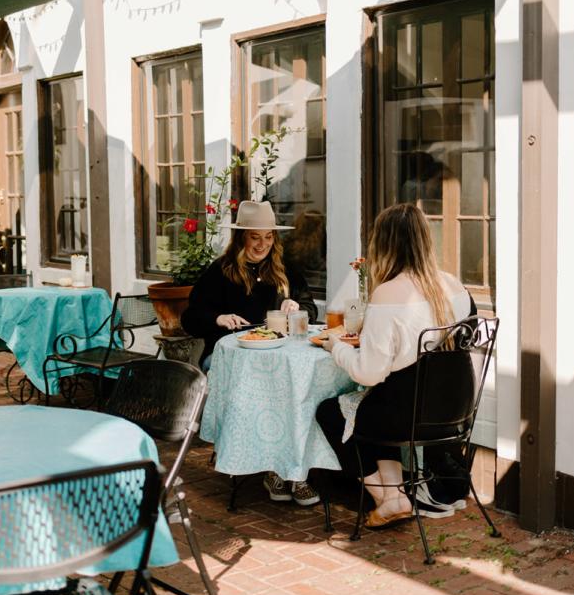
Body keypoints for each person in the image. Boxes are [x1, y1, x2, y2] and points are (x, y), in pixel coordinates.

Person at [315, 203, 475, 529]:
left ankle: (384, 497)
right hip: (456, 412)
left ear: (383, 244)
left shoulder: (388, 294)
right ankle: (396, 497)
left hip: (406, 418)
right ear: (426, 240)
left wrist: (337, 348)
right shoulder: (455, 286)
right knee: (372, 401)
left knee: (333, 411)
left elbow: (368, 373)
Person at [181, 199, 319, 506]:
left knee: (294, 388)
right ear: (241, 238)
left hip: (280, 355)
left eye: (268, 237)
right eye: (255, 237)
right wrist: (217, 319)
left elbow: (310, 307)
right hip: (229, 355)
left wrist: (298, 307)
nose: (262, 244)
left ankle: (291, 469)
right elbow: (190, 317)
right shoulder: (221, 272)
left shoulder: (285, 269)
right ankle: (274, 468)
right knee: (266, 389)